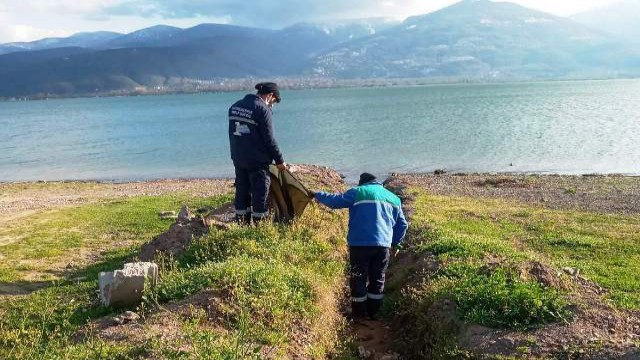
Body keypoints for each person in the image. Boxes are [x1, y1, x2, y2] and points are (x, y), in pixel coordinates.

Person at [313, 173, 408, 319]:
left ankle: (358, 314)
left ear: (361, 183)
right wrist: (395, 243)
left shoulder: (357, 192)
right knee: (377, 278)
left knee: (358, 277)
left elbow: (334, 201)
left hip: (360, 244)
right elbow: (402, 225)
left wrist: (317, 194)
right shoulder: (394, 198)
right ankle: (374, 312)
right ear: (377, 183)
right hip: (383, 246)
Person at [228, 82, 286, 224]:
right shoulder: (262, 109)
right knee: (260, 194)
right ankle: (260, 228)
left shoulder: (234, 106)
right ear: (270, 95)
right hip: (257, 162)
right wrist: (279, 161)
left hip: (238, 158)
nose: (272, 105)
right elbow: (269, 140)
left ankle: (242, 224)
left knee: (242, 191)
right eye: (273, 102)